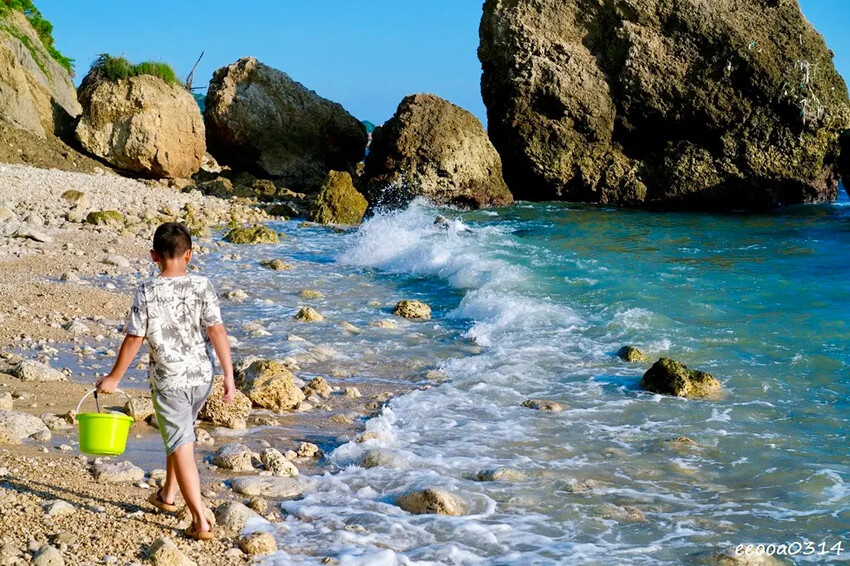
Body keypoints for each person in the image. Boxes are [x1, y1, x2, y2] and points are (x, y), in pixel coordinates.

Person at [95, 221, 236, 541]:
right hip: (202, 376)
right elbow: (217, 331)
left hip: (169, 380)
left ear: (153, 256)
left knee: (182, 443)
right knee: (181, 435)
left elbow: (134, 338)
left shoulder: (147, 290)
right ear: (189, 255)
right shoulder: (202, 285)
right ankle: (168, 495)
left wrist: (114, 378)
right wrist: (228, 375)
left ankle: (200, 520)